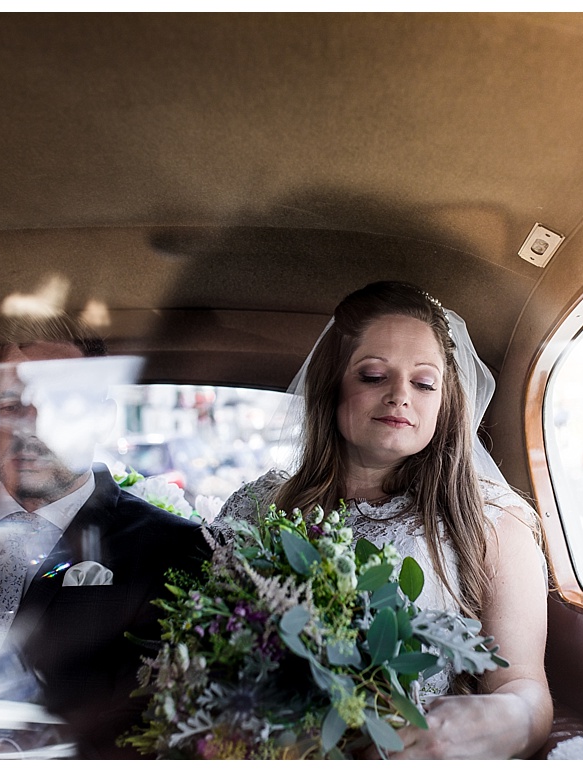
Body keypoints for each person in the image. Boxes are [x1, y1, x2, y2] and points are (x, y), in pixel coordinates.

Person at [217, 281, 556, 759]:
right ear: (333, 386)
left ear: (445, 402)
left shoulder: (493, 524)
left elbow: (524, 688)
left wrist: (504, 719)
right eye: (374, 375)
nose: (400, 395)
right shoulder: (257, 508)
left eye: (423, 383)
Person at [0, 313, 212, 759]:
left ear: (101, 419)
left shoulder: (170, 548)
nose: (30, 427)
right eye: (11, 407)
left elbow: (151, 731)